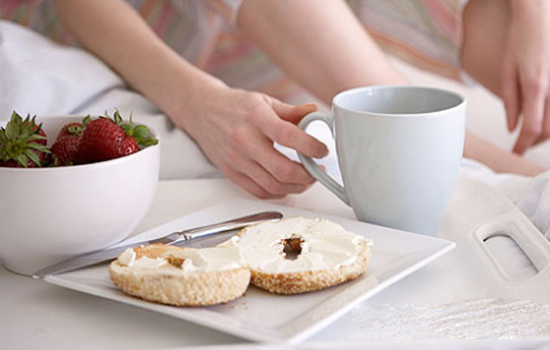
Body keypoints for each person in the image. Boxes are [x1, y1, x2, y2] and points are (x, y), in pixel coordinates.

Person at [3, 0, 549, 198]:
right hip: (135, 29)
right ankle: (505, 172)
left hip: (272, 38)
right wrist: (201, 103)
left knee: (508, 21)